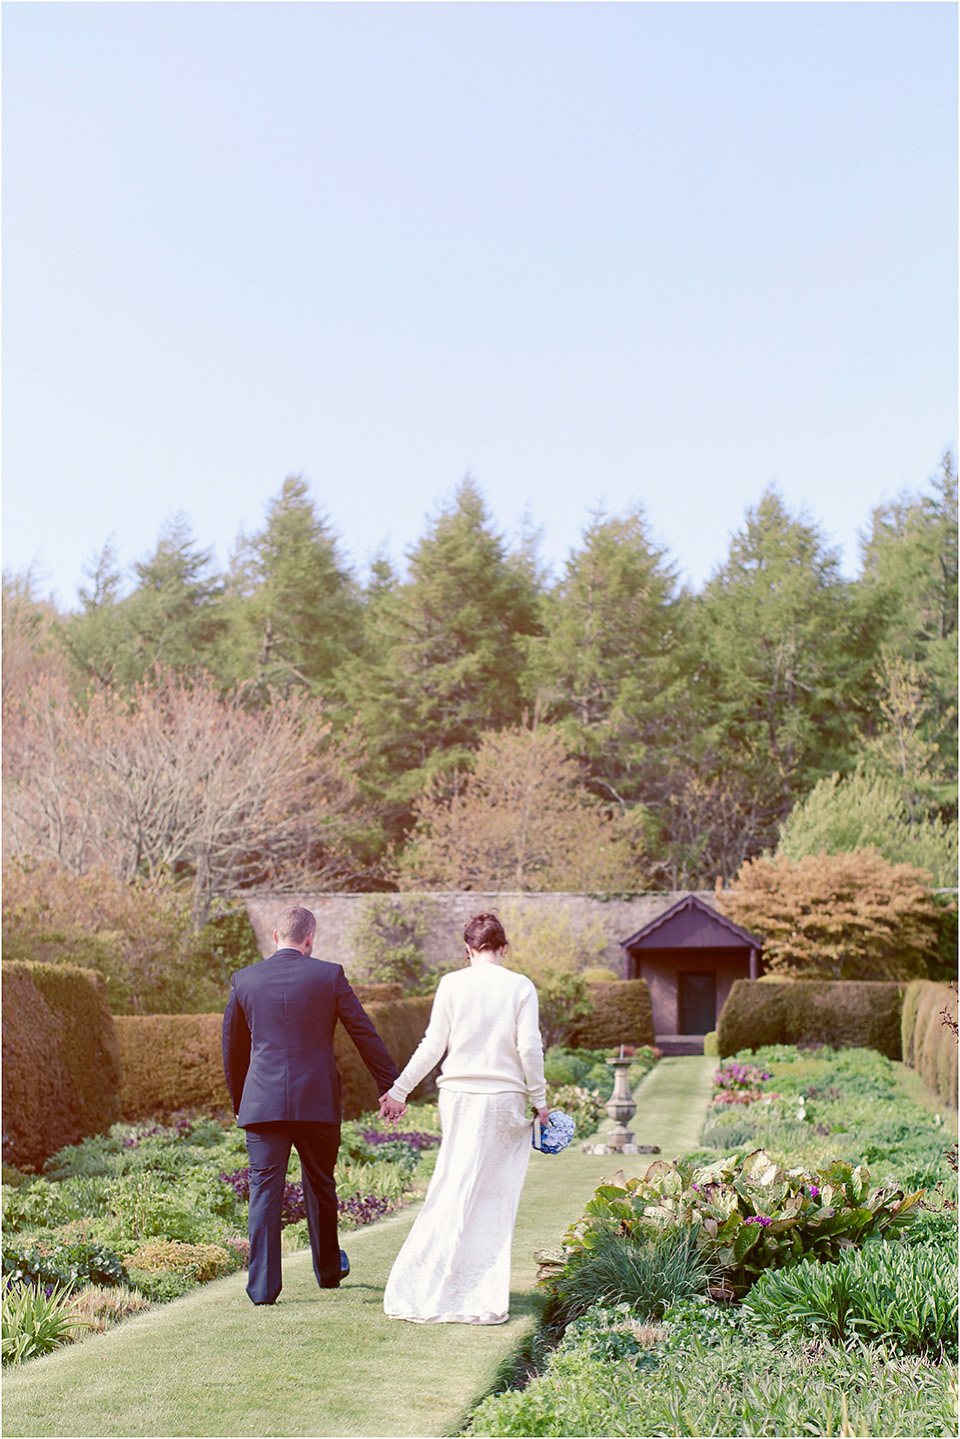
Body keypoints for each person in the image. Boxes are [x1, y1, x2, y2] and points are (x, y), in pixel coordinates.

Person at [222, 904, 403, 1306]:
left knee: (264, 1192)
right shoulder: (329, 975)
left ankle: (263, 1289)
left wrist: (241, 1103)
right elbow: (364, 1033)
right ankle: (328, 1270)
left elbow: (231, 1050)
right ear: (310, 939)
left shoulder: (244, 980)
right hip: (317, 1100)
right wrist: (391, 1085)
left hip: (262, 1105)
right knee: (321, 1185)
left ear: (275, 937)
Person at [378, 911, 549, 1325]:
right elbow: (529, 1047)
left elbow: (433, 1044)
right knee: (494, 1197)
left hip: (458, 1096)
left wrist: (399, 1091)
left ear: (468, 950)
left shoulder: (452, 984)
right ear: (503, 948)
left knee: (450, 1186)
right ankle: (478, 1293)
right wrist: (540, 1100)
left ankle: (431, 1285)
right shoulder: (520, 986)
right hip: (505, 1100)